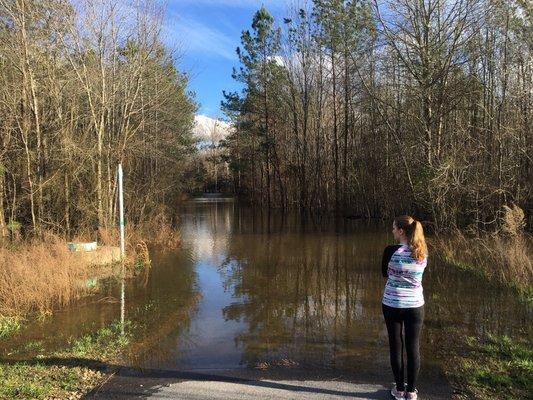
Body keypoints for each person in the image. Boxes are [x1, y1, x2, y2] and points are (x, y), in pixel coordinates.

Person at [381, 215, 428, 400]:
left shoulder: (390, 251)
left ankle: (399, 390)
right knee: (413, 346)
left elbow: (385, 273)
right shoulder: (422, 251)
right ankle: (411, 391)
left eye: (394, 228)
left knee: (396, 346)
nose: (392, 231)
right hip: (415, 305)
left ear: (401, 231)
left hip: (392, 304)